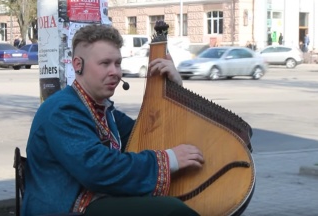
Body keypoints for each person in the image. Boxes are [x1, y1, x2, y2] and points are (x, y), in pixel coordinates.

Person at [22, 24, 204, 216]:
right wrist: (169, 160)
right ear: (78, 65)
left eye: (117, 63)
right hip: (66, 208)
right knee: (174, 211)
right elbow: (97, 169)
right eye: (105, 63)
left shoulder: (101, 107)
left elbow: (149, 136)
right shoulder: (62, 109)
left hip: (96, 200)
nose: (115, 72)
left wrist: (175, 89)